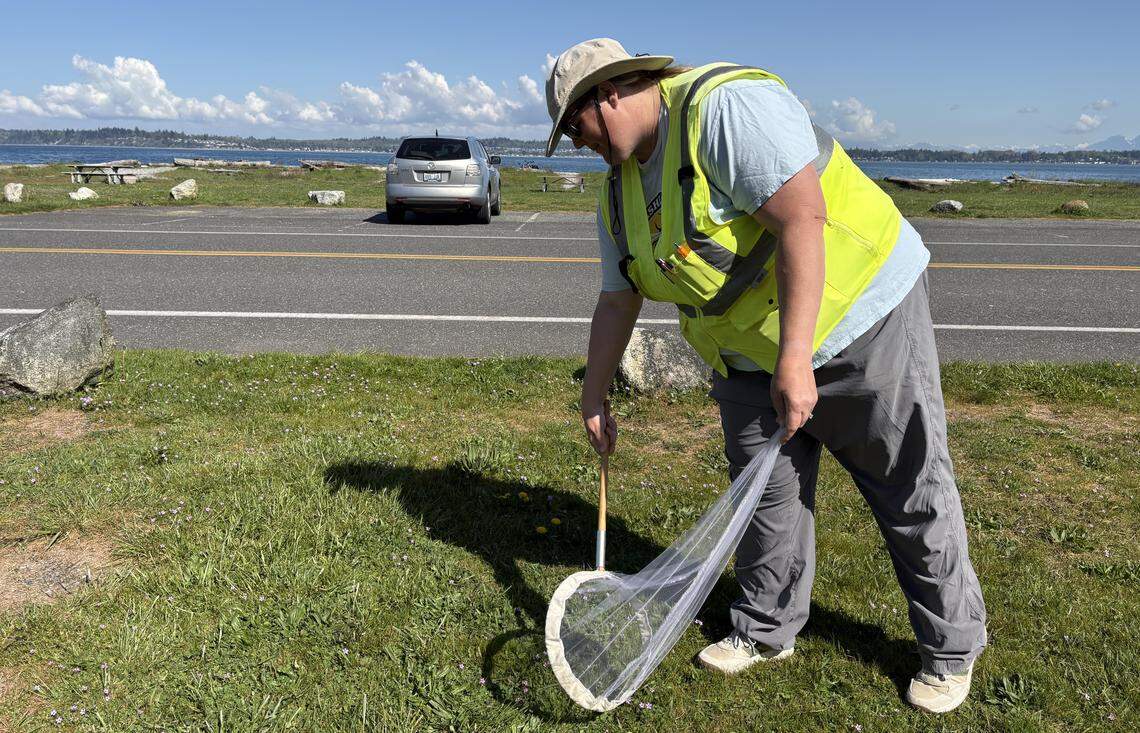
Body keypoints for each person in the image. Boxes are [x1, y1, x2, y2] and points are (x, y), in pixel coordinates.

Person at [544, 38, 987, 714]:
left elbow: (802, 217)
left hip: (861, 311)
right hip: (750, 354)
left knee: (908, 482)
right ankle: (765, 627)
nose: (577, 146)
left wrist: (796, 358)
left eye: (574, 128)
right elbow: (617, 297)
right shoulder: (618, 190)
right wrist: (593, 392)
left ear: (605, 96)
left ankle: (950, 649)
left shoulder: (723, 109)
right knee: (764, 494)